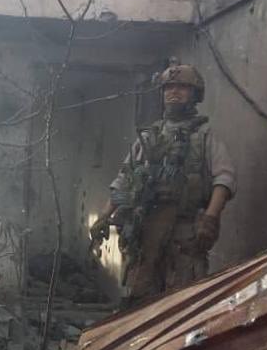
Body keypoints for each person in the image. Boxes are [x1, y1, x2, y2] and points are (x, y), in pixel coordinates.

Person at [90, 61, 236, 305]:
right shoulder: (150, 137)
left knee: (183, 301)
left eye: (182, 87)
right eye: (168, 87)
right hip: (146, 232)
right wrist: (104, 216)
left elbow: (224, 178)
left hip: (184, 232)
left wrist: (210, 218)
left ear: (195, 94)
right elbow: (124, 180)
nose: (173, 92)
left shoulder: (205, 137)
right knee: (139, 298)